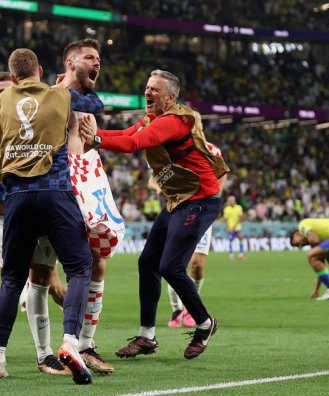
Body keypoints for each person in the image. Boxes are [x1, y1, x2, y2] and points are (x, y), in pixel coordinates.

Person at [80, 69, 229, 360]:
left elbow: (134, 144)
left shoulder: (172, 122)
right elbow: (125, 134)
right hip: (179, 199)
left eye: (155, 90)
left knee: (170, 267)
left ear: (171, 97)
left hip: (199, 201)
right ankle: (147, 336)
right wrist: (93, 137)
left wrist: (95, 139)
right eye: (147, 87)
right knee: (148, 261)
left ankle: (204, 323)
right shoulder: (154, 118)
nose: (148, 93)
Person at [0, 48, 104, 384]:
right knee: (80, 266)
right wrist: (77, 81)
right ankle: (70, 341)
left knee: (11, 278)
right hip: (54, 192)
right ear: (39, 69)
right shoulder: (60, 95)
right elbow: (96, 106)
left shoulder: (2, 100)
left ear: (11, 78)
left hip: (17, 197)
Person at [25, 38, 124, 375]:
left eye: (99, 58)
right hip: (56, 188)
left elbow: (86, 144)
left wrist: (95, 140)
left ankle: (85, 345)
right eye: (89, 57)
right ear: (70, 63)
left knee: (96, 265)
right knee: (43, 274)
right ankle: (44, 354)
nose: (97, 62)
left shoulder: (85, 103)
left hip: (84, 186)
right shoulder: (57, 97)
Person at [0, 71, 69, 375]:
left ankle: (51, 351)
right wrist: (23, 184)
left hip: (35, 211)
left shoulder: (35, 117)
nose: (2, 96)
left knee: (47, 282)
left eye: (8, 90)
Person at [164, 142, 226, 328]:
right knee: (175, 264)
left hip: (203, 212)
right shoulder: (171, 146)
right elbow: (158, 176)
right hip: (181, 212)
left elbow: (222, 174)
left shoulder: (212, 149)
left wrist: (212, 200)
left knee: (197, 265)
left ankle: (190, 308)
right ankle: (177, 309)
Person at [223, 196, 246, 260]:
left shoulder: (239, 207)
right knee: (231, 240)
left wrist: (235, 225)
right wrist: (227, 227)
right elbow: (225, 219)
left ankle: (241, 254)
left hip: (237, 227)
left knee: (240, 238)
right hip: (230, 228)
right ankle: (231, 254)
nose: (231, 201)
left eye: (232, 200)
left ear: (234, 200)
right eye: (230, 200)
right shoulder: (226, 209)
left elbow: (240, 217)